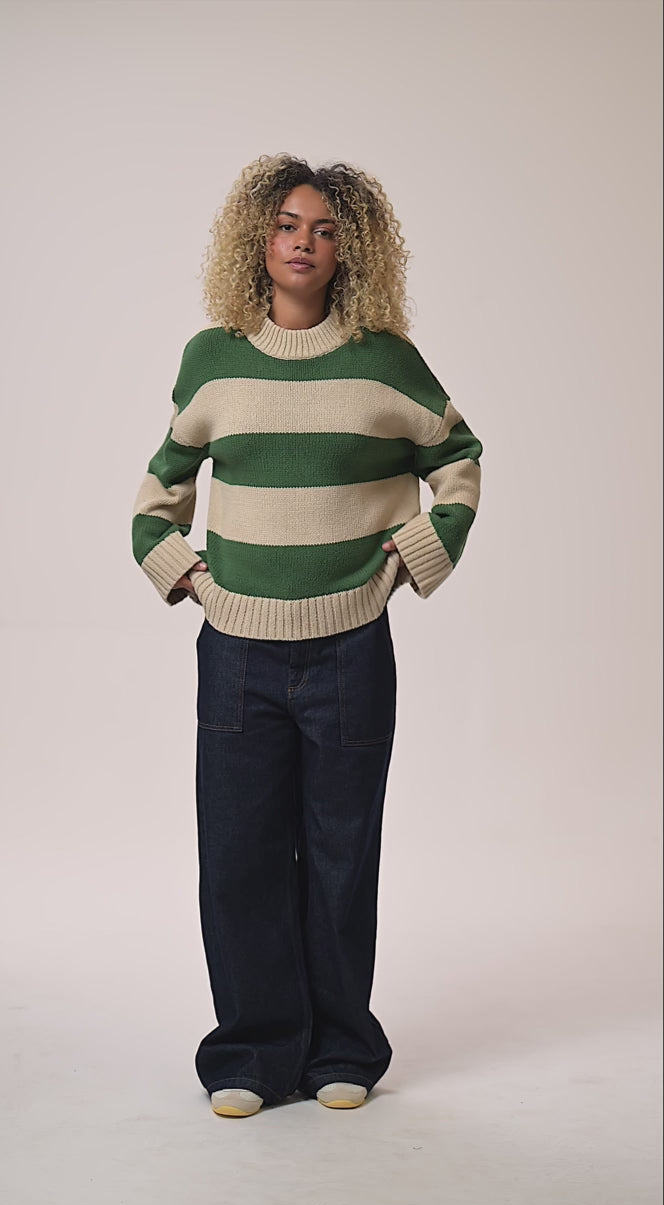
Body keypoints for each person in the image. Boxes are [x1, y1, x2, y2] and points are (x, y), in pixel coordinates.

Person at [131, 154, 483, 1118]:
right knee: (238, 855)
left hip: (350, 649)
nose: (304, 243)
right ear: (258, 238)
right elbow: (160, 492)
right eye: (288, 224)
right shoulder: (212, 358)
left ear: (349, 249)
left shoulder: (385, 360)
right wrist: (184, 573)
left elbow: (458, 459)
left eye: (326, 230)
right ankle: (252, 1054)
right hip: (237, 653)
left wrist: (411, 558)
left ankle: (340, 1049)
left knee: (340, 855)